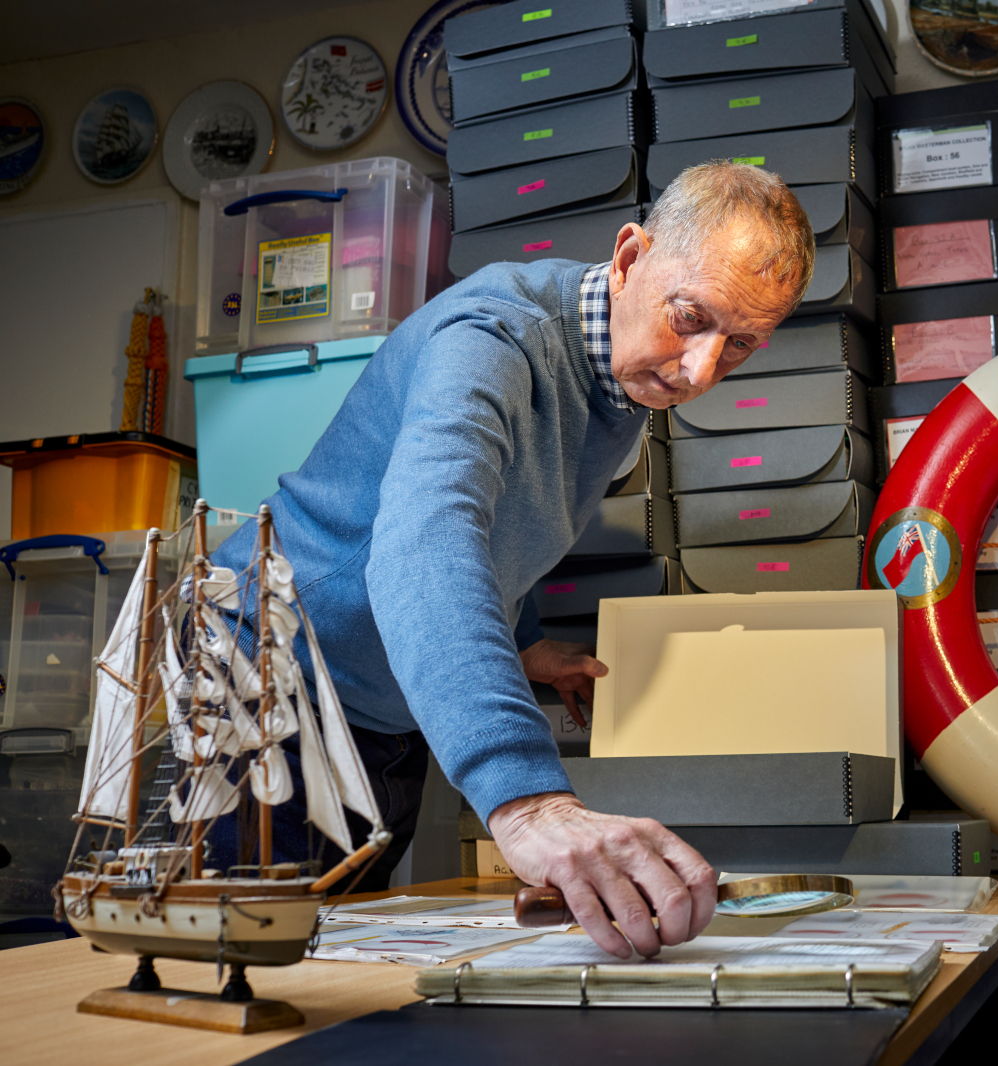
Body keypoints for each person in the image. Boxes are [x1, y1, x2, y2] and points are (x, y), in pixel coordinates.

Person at [205, 162, 816, 959]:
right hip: (271, 677)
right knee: (237, 966)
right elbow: (428, 539)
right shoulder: (493, 341)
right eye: (691, 318)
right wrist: (526, 800)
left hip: (383, 706)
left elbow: (507, 512)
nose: (700, 371)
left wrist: (524, 641)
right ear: (629, 258)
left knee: (330, 963)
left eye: (738, 346)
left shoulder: (626, 374)